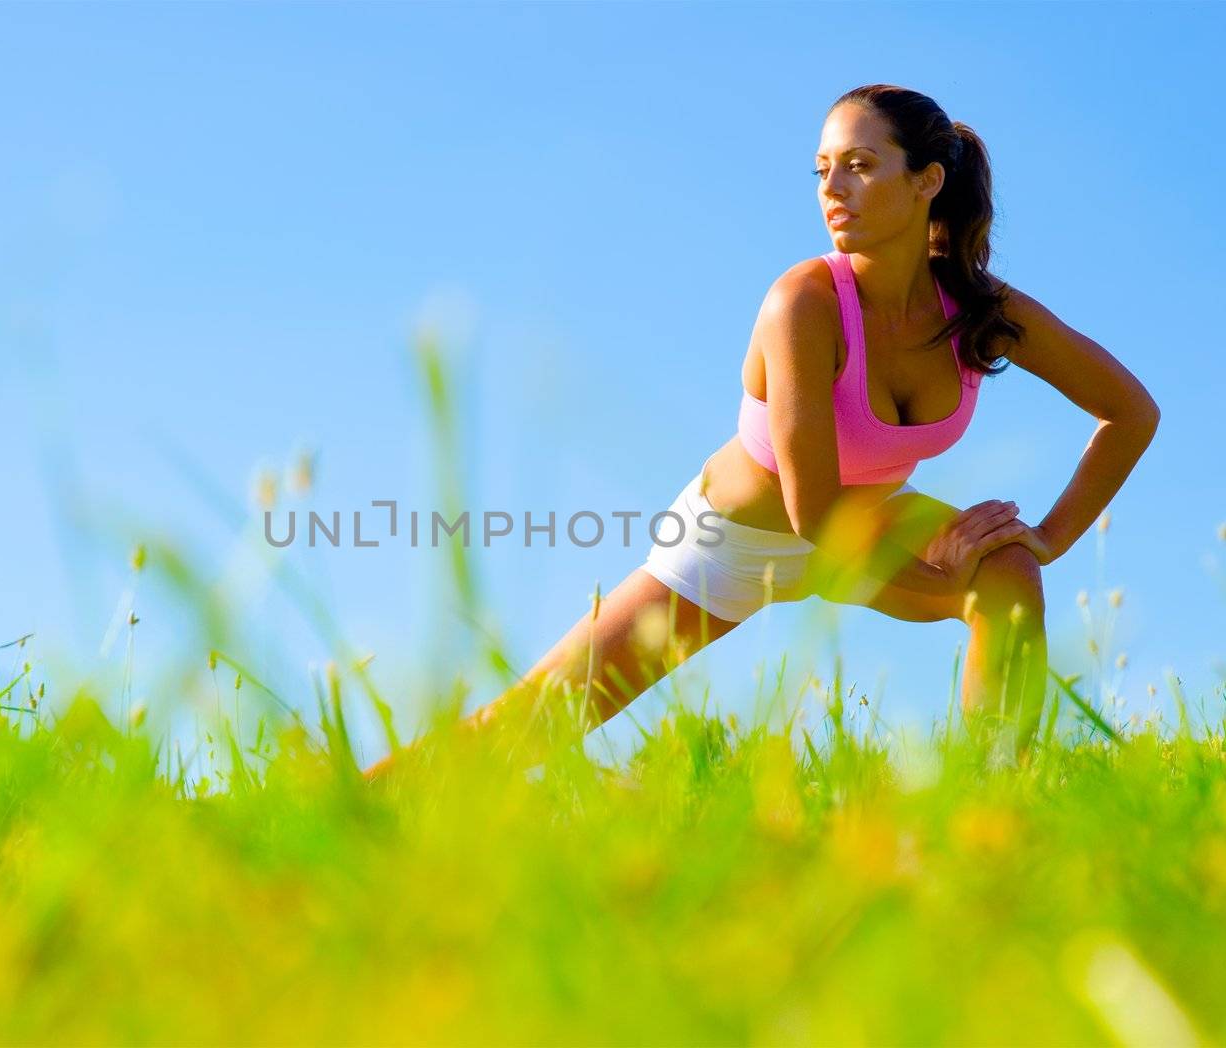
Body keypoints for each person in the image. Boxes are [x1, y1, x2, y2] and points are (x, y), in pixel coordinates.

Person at [362, 83, 1159, 782]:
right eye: (822, 170)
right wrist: (947, 589)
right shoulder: (803, 302)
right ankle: (339, 808)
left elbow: (1130, 411)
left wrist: (1045, 540)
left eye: (860, 165)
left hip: (870, 519)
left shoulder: (982, 309)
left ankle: (999, 794)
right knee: (530, 726)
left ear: (928, 182)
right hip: (726, 549)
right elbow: (813, 519)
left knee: (1010, 569)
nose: (833, 189)